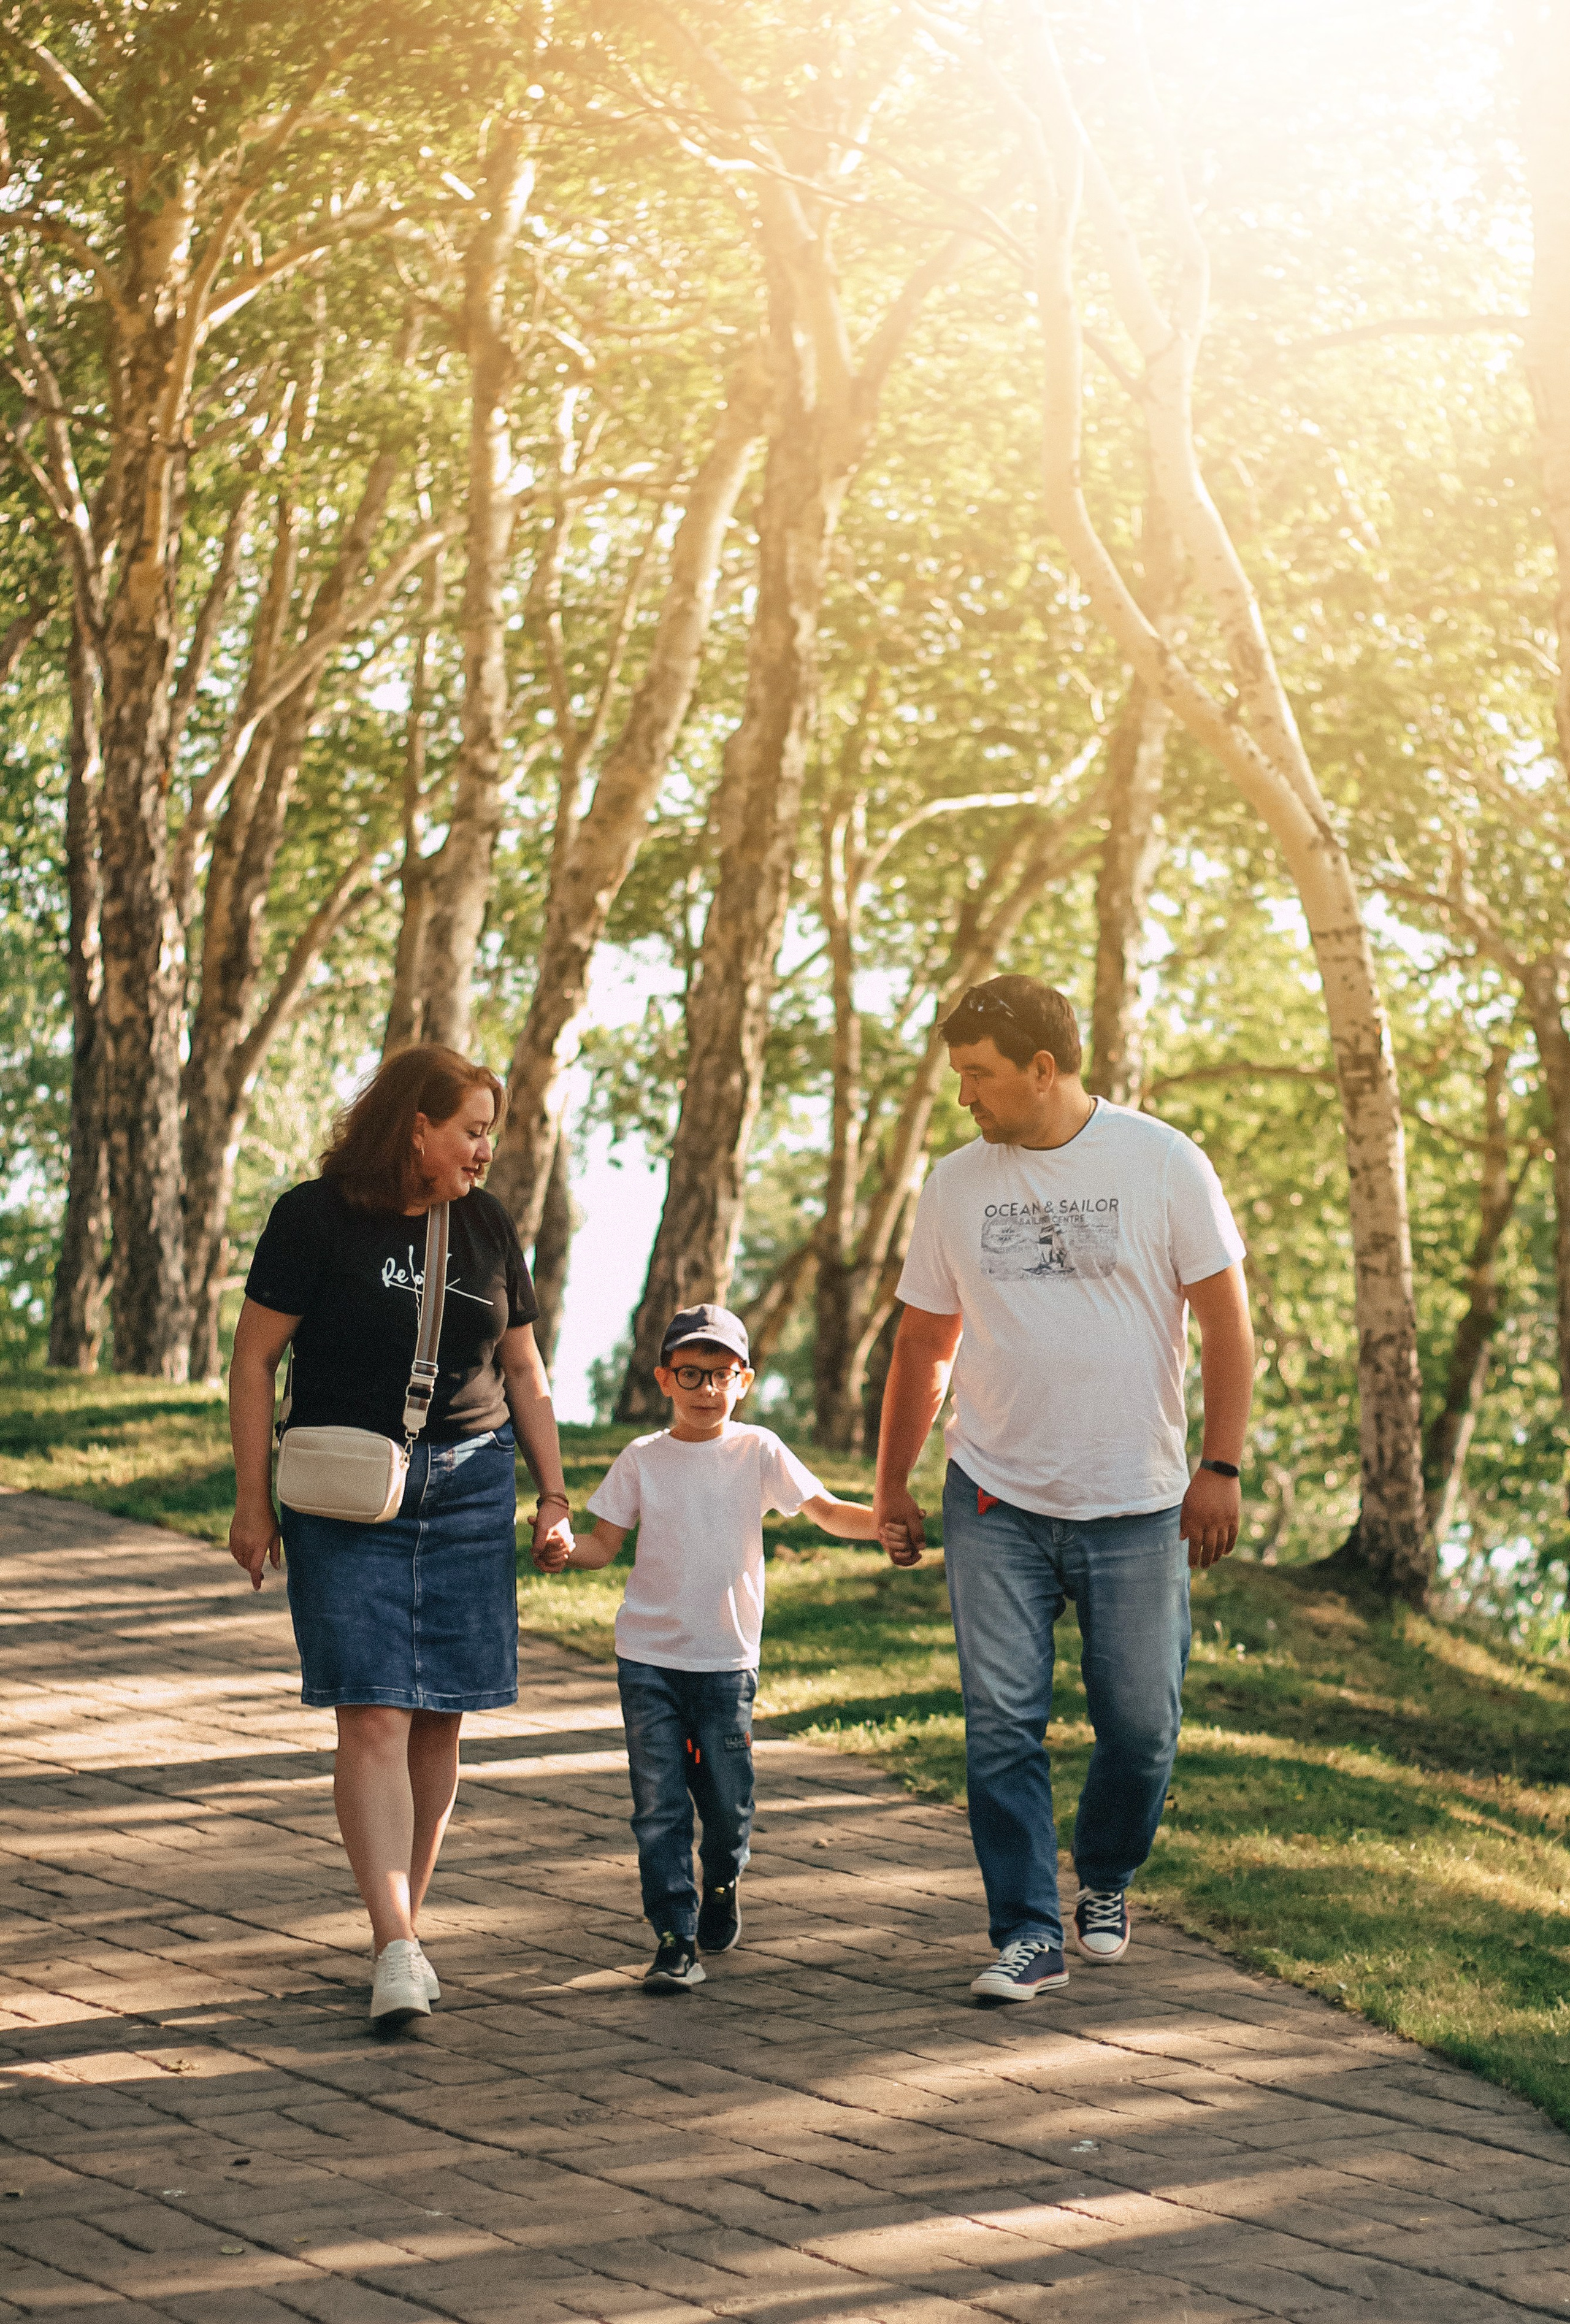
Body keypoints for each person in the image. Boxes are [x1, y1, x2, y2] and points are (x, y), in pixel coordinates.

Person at [873, 976, 1252, 2003]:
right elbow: (923, 1340)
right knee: (1001, 1722)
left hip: (1136, 1503)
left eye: (982, 1076)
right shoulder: (956, 1183)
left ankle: (1109, 1871)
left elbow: (1226, 1320)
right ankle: (1028, 1928)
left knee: (1141, 1727)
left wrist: (1219, 1467)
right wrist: (894, 1483)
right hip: (994, 1493)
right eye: (959, 1078)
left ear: (1045, 1067)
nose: (967, 1099)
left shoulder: (1162, 1160)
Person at [227, 1045, 574, 2027]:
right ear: (415, 1127)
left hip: (469, 1490)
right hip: (345, 1496)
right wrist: (252, 1502)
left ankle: (403, 1931)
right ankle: (396, 1944)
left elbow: (527, 1374)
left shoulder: (491, 1225)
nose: (483, 1150)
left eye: (489, 1133)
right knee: (372, 1713)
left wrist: (553, 1495)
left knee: (439, 1716)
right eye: (469, 1129)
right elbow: (254, 1362)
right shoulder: (315, 1216)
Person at [534, 1303, 879, 1991]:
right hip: (648, 1659)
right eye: (690, 1373)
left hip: (725, 1665)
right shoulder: (641, 1459)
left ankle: (721, 1881)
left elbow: (828, 1512)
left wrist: (887, 1523)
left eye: (720, 1374)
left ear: (744, 1380)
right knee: (658, 1806)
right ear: (664, 1378)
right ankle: (673, 1938)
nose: (705, 1389)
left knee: (727, 1806)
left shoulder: (759, 1451)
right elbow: (602, 1547)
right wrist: (562, 1549)